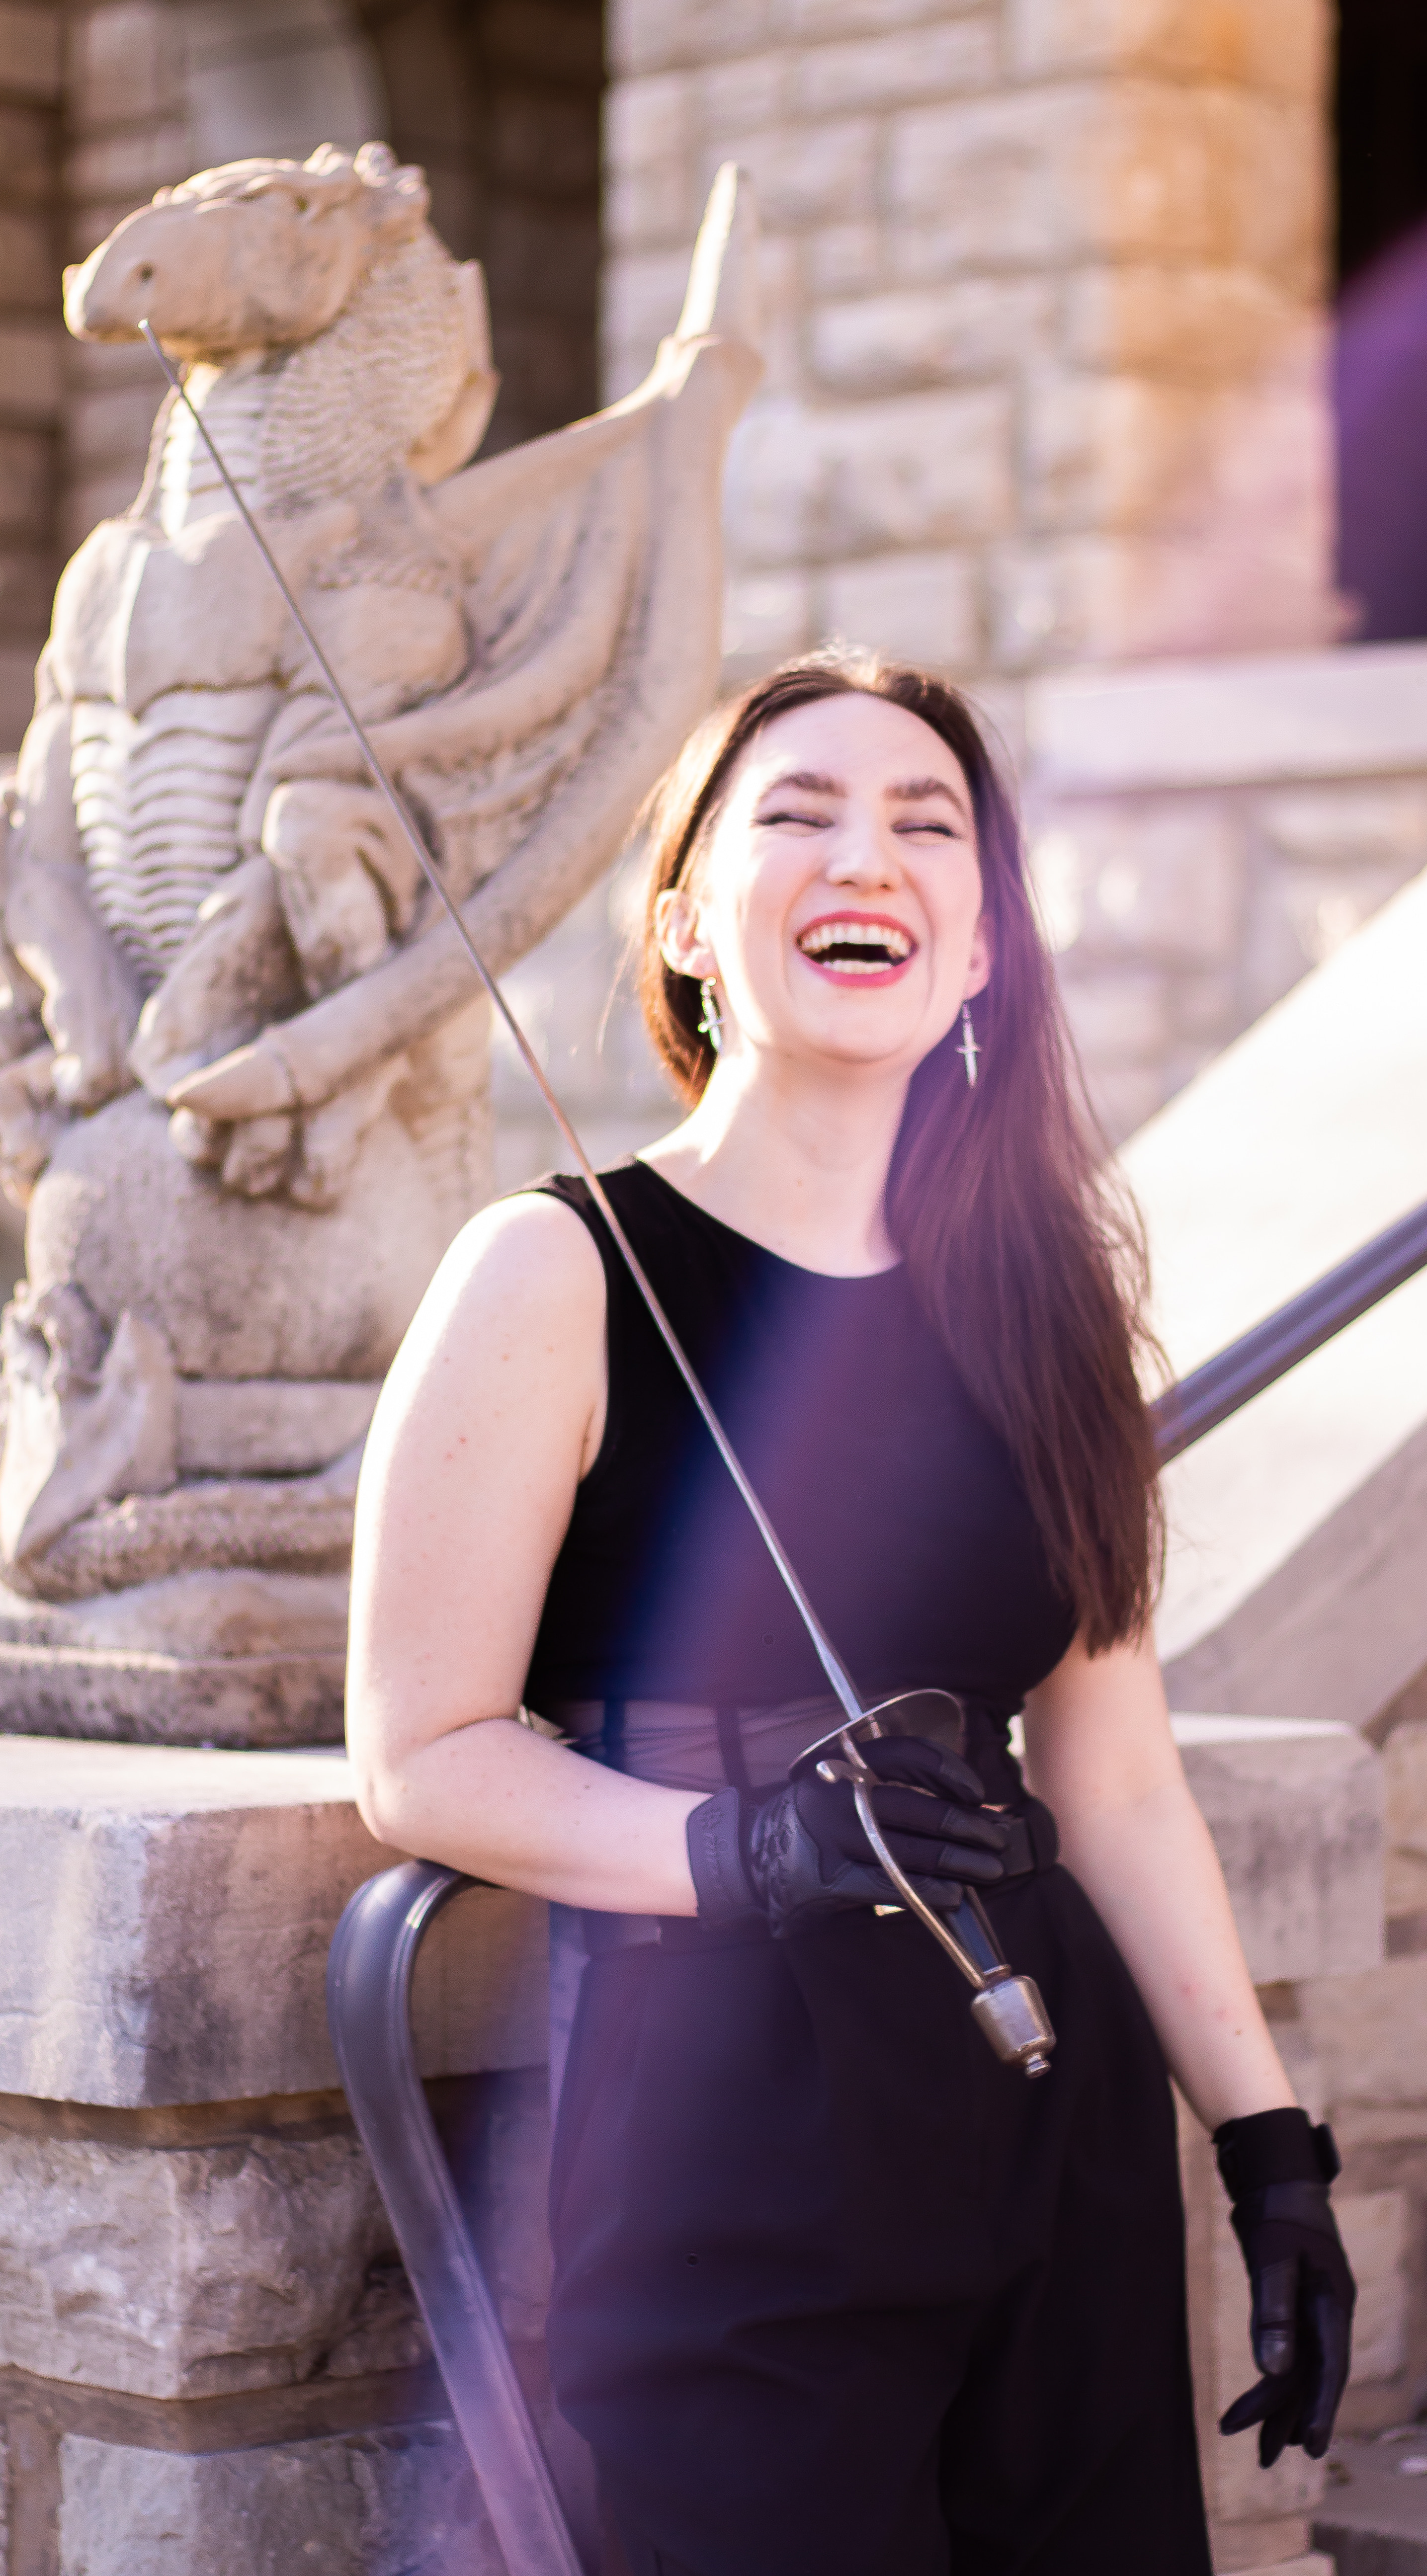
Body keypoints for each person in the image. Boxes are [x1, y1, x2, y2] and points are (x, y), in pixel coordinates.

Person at [346, 649, 1355, 2576]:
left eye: (925, 825)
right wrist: (744, 1848)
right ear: (687, 928)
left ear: (980, 954)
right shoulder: (550, 1271)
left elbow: (1119, 1784)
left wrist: (1268, 2151)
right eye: (793, 815)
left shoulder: (1044, 1308)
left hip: (1049, 2095)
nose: (863, 856)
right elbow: (419, 1757)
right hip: (722, 2081)